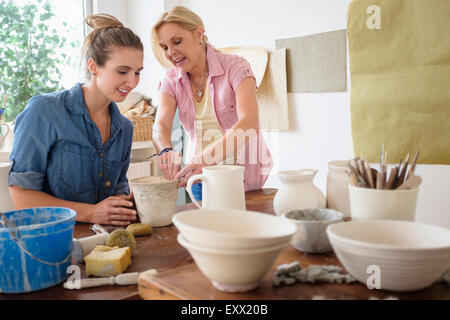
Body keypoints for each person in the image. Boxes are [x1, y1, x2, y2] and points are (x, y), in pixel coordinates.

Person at [8, 14, 144, 226]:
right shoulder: (44, 111)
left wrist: (123, 205)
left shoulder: (124, 127)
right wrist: (91, 213)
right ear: (93, 67)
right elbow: (21, 196)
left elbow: (117, 188)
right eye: (122, 71)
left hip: (100, 241)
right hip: (50, 240)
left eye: (137, 72)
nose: (132, 82)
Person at [151, 6, 273, 199]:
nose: (171, 52)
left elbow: (249, 121)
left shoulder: (235, 67)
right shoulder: (172, 79)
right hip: (200, 179)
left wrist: (206, 159)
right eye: (164, 47)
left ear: (198, 33)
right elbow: (161, 126)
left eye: (177, 41)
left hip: (242, 176)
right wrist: (166, 150)